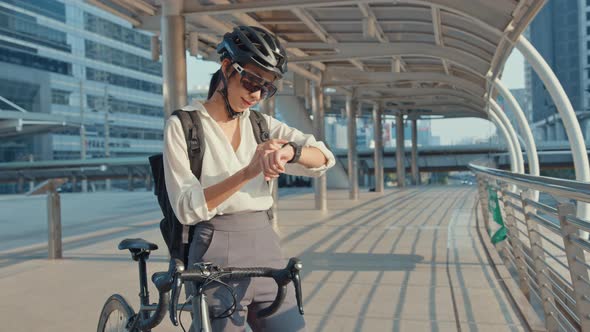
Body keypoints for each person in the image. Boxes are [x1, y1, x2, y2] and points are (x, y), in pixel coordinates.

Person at [163, 25, 335, 332]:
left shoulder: (261, 125)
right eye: (251, 81)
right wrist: (248, 171)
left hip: (266, 245)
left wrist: (288, 152)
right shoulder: (184, 125)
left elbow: (323, 157)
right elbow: (187, 208)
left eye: (266, 88)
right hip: (214, 248)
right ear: (227, 67)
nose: (256, 95)